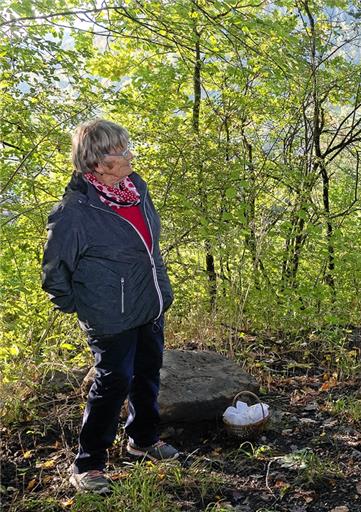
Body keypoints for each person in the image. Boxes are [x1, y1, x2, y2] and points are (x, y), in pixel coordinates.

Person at [42, 119, 178, 494]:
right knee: (113, 382)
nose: (130, 155)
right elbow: (55, 271)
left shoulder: (137, 190)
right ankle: (89, 464)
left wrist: (161, 289)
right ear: (99, 163)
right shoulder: (75, 211)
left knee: (148, 372)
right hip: (108, 315)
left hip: (148, 305)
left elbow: (150, 249)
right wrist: (85, 305)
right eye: (121, 150)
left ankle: (143, 440)